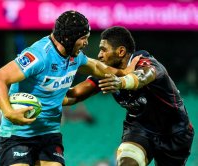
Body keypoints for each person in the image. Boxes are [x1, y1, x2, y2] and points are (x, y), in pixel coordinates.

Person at [0, 11, 139, 166]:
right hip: (17, 135)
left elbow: (96, 67)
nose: (86, 43)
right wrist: (8, 112)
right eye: (83, 39)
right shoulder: (39, 55)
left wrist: (124, 73)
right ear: (68, 38)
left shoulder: (75, 56)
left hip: (49, 134)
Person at [63, 26, 194, 166]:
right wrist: (45, 92)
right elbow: (73, 96)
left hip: (174, 131)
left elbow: (143, 77)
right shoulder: (106, 73)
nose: (99, 55)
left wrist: (121, 82)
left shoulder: (146, 62)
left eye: (104, 49)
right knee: (127, 163)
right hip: (140, 127)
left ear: (121, 51)